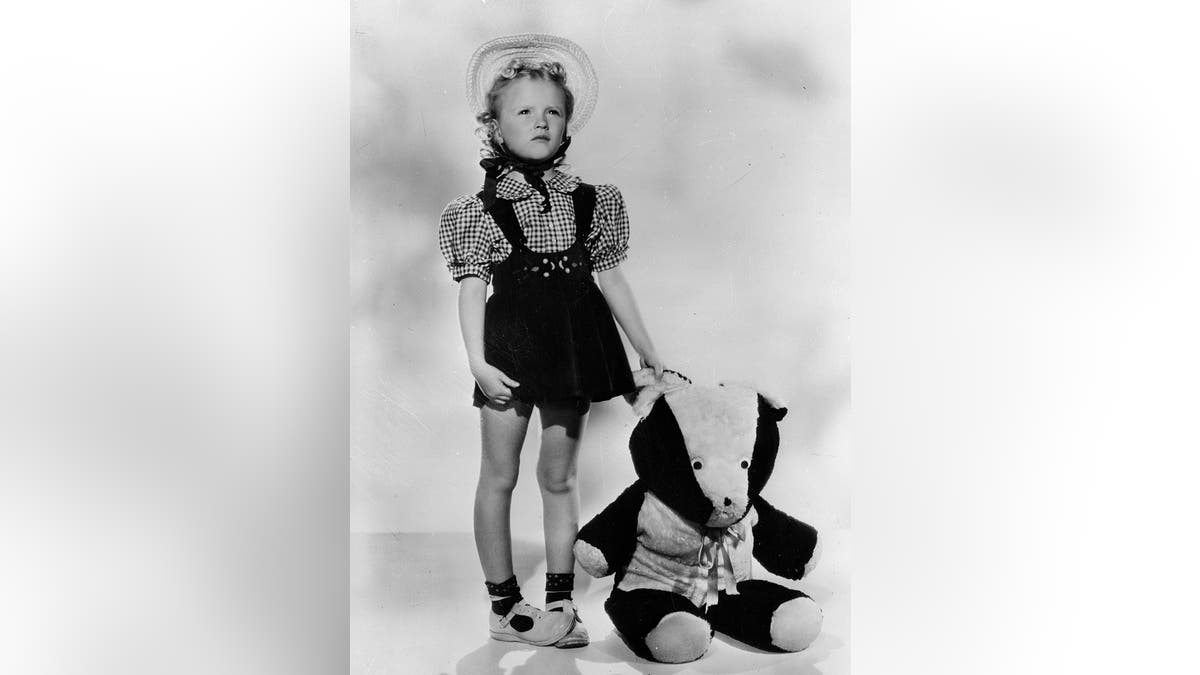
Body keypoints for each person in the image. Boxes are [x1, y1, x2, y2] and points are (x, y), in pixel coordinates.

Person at [438, 34, 665, 648]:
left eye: (552, 111)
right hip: (508, 356)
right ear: (494, 125)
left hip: (572, 354)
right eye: (523, 111)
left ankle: (560, 600)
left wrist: (648, 350)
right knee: (500, 475)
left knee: (559, 478)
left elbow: (611, 277)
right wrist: (478, 362)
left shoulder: (594, 201)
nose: (540, 122)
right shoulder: (476, 209)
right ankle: (504, 606)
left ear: (567, 122)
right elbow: (469, 288)